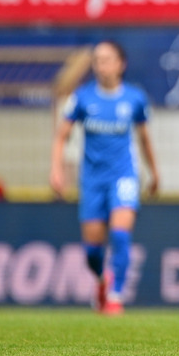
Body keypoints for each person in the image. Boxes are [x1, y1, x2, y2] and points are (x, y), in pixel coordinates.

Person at [49, 40, 159, 316]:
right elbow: (61, 136)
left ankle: (115, 295)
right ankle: (101, 280)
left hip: (123, 175)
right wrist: (56, 170)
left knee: (120, 235)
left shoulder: (134, 98)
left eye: (107, 59)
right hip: (92, 180)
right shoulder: (82, 98)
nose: (101, 65)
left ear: (121, 64)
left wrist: (154, 173)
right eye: (97, 60)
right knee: (92, 252)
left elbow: (144, 139)